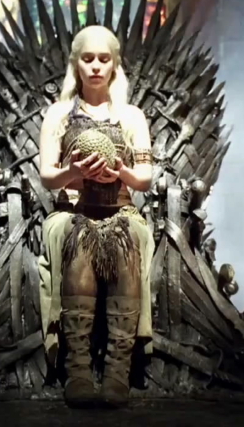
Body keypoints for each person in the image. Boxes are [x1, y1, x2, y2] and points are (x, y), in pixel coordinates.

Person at [37, 25, 154, 408]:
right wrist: (74, 172)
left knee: (125, 239)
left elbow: (145, 178)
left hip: (120, 208)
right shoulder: (58, 114)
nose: (96, 66)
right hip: (73, 209)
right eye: (88, 59)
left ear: (115, 64)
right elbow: (47, 175)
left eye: (104, 59)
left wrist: (120, 172)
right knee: (80, 240)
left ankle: (118, 370)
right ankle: (79, 371)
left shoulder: (131, 116)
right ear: (77, 64)